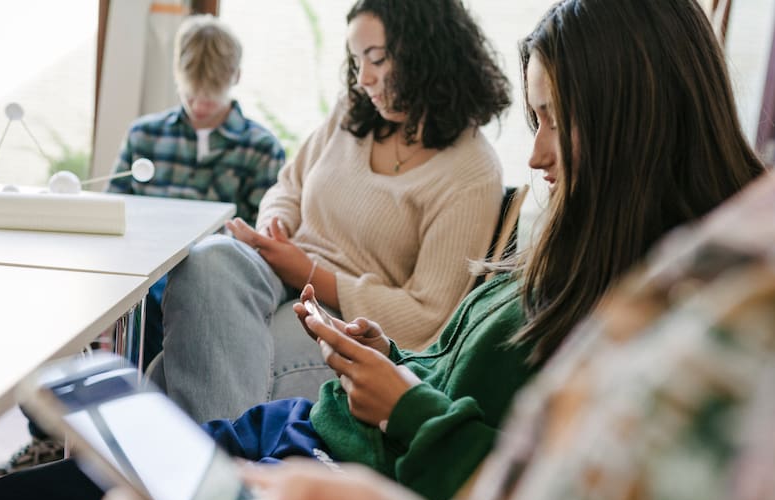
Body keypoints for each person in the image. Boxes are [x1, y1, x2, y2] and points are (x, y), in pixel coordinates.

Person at [0, 0, 763, 500]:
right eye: (537, 119)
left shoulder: (651, 311)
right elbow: (442, 352)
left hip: (321, 497)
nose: (539, 153)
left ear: (632, 125)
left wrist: (404, 404)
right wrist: (387, 361)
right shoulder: (569, 242)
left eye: (557, 121)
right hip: (291, 438)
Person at [153, 0, 514, 426]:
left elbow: (427, 318)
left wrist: (309, 274)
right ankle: (227, 464)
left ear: (429, 53)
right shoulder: (352, 114)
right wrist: (277, 225)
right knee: (209, 258)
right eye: (357, 60)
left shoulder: (470, 169)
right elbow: (289, 185)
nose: (363, 79)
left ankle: (223, 469)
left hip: (351, 320)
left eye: (377, 59)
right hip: (281, 271)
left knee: (168, 371)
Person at [0, 14, 286, 482]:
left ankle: (134, 459)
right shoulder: (146, 135)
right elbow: (117, 214)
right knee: (58, 322)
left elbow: (256, 245)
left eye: (211, 97)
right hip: (140, 281)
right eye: (190, 95)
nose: (200, 107)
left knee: (165, 337)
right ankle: (49, 440)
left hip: (201, 292)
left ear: (236, 81)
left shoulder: (261, 149)